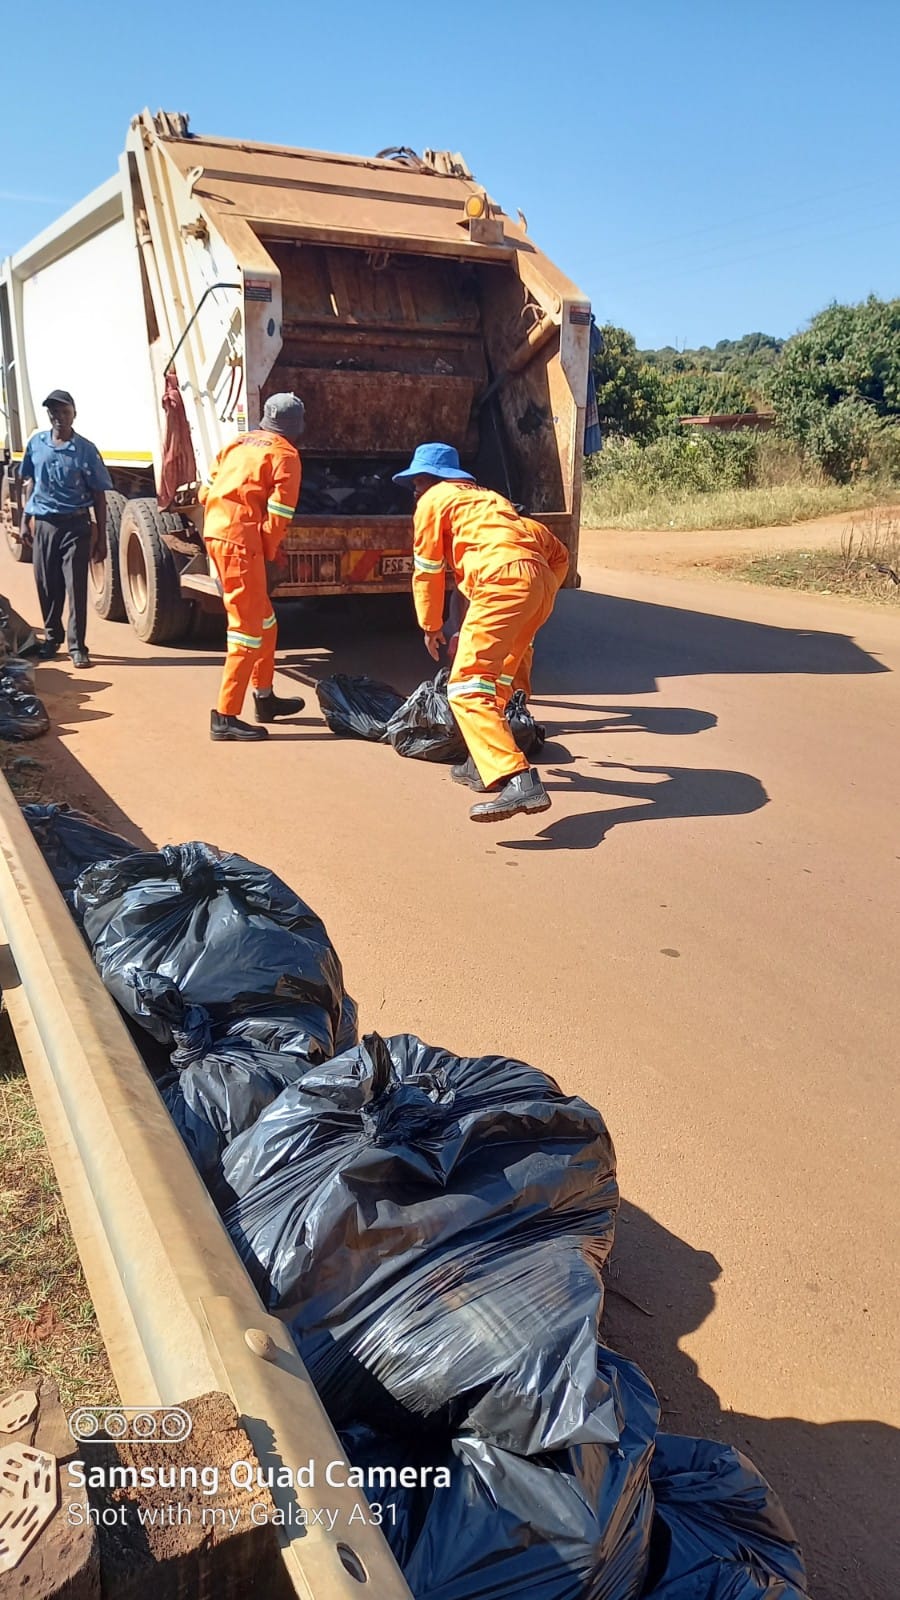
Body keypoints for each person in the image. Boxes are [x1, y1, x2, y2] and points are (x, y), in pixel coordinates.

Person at [393, 442, 569, 822]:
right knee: (498, 681)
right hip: (534, 584)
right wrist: (542, 592)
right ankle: (479, 762)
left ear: (429, 479)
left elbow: (427, 568)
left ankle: (517, 779)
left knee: (466, 686)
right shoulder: (492, 503)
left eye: (416, 483)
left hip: (501, 583)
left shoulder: (434, 500)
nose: (415, 491)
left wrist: (430, 625)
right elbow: (558, 554)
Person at [199, 394, 307, 742]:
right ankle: (225, 716)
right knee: (246, 631)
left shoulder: (238, 443)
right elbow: (279, 517)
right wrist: (270, 553)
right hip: (241, 545)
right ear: (296, 426)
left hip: (219, 533)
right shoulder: (285, 455)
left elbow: (205, 491)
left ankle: (265, 698)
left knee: (266, 622)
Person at [18, 389, 112, 668]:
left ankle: (77, 646)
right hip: (45, 524)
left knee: (75, 586)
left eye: (64, 411)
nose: (59, 417)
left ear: (74, 413)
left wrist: (102, 539)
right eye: (53, 411)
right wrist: (25, 519)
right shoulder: (36, 444)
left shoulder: (86, 449)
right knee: (47, 585)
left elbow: (99, 495)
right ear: (48, 415)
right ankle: (51, 637)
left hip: (76, 525)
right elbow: (30, 483)